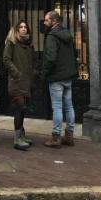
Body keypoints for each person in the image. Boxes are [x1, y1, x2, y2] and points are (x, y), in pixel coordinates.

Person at [42, 10, 77, 148]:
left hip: (56, 77)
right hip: (68, 76)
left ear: (54, 21)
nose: (45, 23)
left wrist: (45, 73)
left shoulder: (52, 36)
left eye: (47, 20)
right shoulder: (67, 34)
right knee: (69, 106)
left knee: (57, 107)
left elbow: (50, 58)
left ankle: (56, 137)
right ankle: (69, 135)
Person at [3, 19, 34, 151]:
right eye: (21, 27)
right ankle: (17, 138)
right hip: (16, 82)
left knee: (23, 109)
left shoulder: (28, 44)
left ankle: (21, 134)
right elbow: (6, 59)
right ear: (16, 30)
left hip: (26, 82)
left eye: (25, 27)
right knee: (19, 108)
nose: (23, 29)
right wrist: (16, 73)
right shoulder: (11, 43)